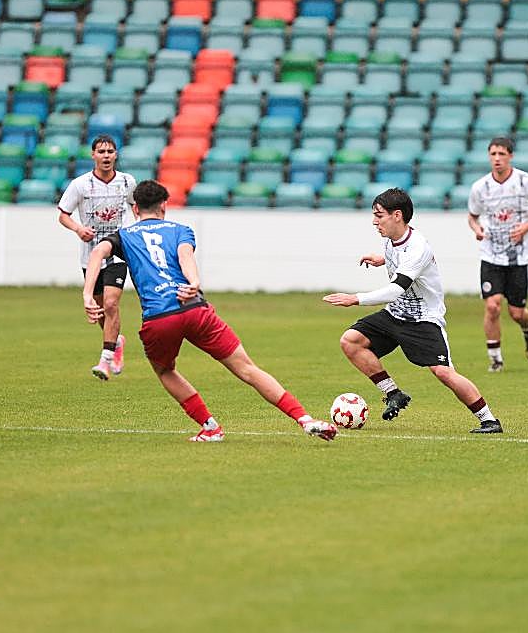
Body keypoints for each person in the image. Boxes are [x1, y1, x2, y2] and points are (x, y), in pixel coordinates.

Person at [83, 180, 337, 443]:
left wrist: (88, 294)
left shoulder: (124, 236)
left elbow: (98, 253)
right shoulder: (181, 230)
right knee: (247, 368)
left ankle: (210, 426)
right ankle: (304, 419)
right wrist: (193, 283)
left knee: (165, 370)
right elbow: (185, 258)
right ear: (164, 207)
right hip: (194, 307)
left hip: (160, 318)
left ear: (135, 209)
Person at [323, 188, 503, 434]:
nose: (375, 221)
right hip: (395, 314)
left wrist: (355, 299)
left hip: (423, 320)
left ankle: (489, 420)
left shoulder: (418, 247)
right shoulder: (391, 240)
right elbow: (400, 258)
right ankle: (394, 394)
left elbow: (396, 289)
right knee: (351, 341)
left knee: (443, 373)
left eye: (379, 215)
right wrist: (382, 259)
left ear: (397, 215)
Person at [466, 136, 528, 372]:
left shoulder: (527, 182)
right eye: (493, 154)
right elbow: (472, 217)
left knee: (516, 313)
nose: (497, 159)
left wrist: (526, 227)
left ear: (510, 156)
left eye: (501, 154)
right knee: (492, 306)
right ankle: (495, 359)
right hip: (491, 255)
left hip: (519, 256)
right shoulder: (480, 188)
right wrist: (477, 230)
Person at [58, 134, 136, 381]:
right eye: (101, 152)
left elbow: (137, 207)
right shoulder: (80, 184)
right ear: (93, 155)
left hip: (118, 250)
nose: (106, 156)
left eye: (110, 152)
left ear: (116, 155)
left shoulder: (127, 182)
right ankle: (116, 342)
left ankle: (105, 360)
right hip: (91, 254)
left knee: (112, 304)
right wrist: (78, 229)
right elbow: (63, 214)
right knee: (102, 310)